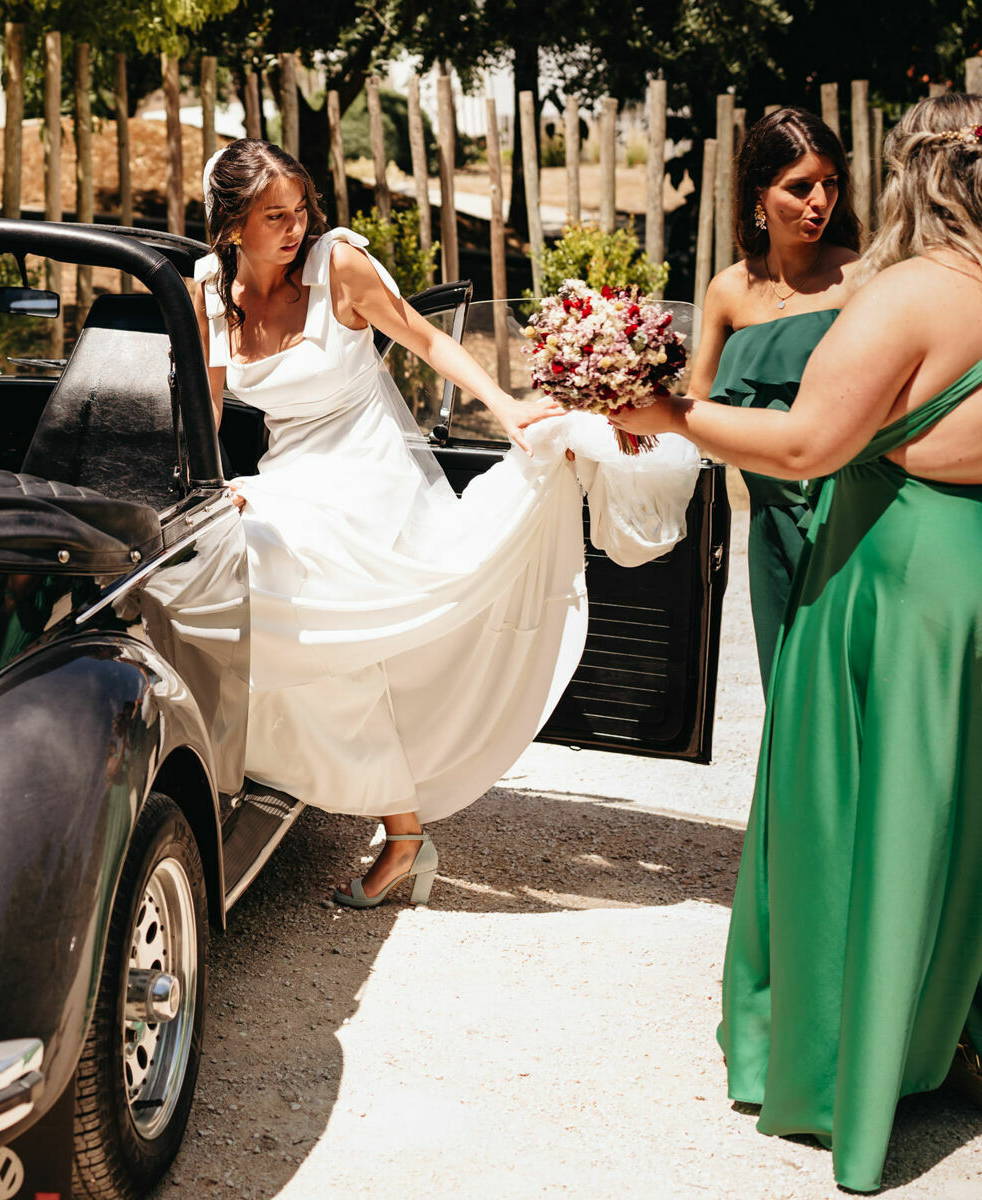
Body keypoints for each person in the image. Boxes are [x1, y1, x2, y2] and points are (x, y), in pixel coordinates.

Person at [612, 94, 982, 1192]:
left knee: (854, 812)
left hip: (891, 576)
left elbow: (812, 442)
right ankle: (936, 1037)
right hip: (968, 572)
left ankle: (837, 1075)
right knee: (949, 821)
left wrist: (665, 413)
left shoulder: (914, 291)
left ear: (909, 172)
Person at [189, 138, 596, 908]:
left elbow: (427, 337)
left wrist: (508, 409)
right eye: (274, 215)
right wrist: (208, 491)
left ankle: (398, 827)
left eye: (301, 208)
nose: (295, 226)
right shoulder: (209, 291)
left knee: (294, 599)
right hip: (290, 477)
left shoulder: (339, 264)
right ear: (231, 223)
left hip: (370, 477)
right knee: (276, 607)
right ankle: (391, 828)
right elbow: (207, 414)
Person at [684, 108, 861, 687]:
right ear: (760, 194)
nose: (820, 202)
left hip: (847, 516)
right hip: (769, 527)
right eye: (800, 187)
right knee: (787, 690)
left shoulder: (860, 280)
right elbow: (692, 408)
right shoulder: (729, 291)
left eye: (830, 184)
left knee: (846, 683)